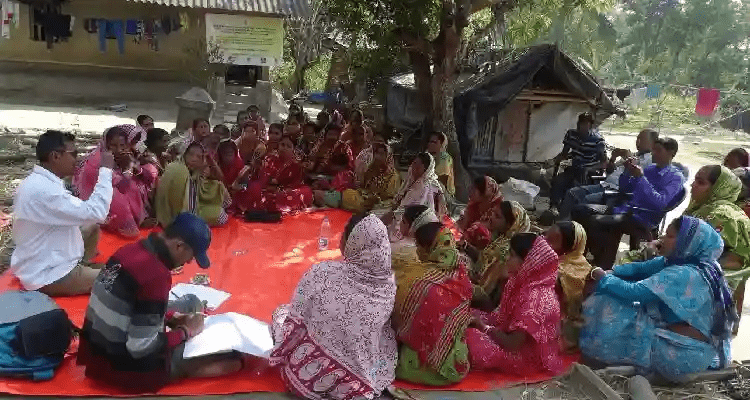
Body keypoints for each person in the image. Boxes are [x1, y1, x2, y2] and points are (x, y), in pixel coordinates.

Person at [78, 212, 246, 393]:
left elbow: (130, 305)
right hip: (118, 367)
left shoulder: (130, 250)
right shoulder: (156, 274)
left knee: (187, 307)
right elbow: (140, 348)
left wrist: (169, 317)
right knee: (233, 361)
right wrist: (185, 332)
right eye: (191, 255)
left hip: (95, 354)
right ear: (179, 246)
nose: (189, 261)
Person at [580, 217, 737, 382]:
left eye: (670, 236)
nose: (662, 239)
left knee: (609, 302)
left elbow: (633, 292)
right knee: (617, 292)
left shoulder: (685, 273)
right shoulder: (700, 262)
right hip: (704, 344)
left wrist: (602, 276)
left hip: (686, 353)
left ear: (687, 242)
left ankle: (596, 352)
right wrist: (613, 272)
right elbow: (641, 268)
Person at [269, 214, 397, 400]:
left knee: (282, 313)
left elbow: (296, 319)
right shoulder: (387, 288)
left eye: (344, 235)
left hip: (304, 378)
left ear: (353, 244)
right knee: (385, 337)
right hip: (355, 389)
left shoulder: (322, 272)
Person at [10, 130, 113, 296]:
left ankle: (83, 266)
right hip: (49, 275)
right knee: (120, 279)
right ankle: (78, 276)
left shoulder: (40, 181)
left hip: (43, 258)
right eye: (73, 154)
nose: (77, 159)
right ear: (55, 156)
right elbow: (97, 212)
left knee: (91, 227)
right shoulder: (44, 190)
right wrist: (106, 171)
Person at [572, 137, 684, 269]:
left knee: (597, 221)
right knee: (580, 210)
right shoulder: (650, 169)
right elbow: (625, 189)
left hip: (643, 217)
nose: (653, 153)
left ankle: (602, 263)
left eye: (658, 150)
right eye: (653, 149)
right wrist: (627, 171)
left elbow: (660, 202)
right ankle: (583, 254)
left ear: (671, 153)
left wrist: (641, 178)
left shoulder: (675, 177)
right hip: (625, 210)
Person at [391, 205, 472, 385]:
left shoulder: (417, 281)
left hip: (417, 368)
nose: (417, 250)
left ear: (429, 248)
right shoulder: (461, 273)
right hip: (456, 367)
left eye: (419, 246)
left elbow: (398, 322)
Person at [466, 233, 566, 376]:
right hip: (511, 337)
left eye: (512, 255)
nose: (507, 259)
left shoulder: (535, 299)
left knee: (470, 336)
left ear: (528, 262)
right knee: (468, 314)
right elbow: (503, 319)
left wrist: (483, 327)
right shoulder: (519, 283)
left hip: (526, 358)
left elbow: (513, 344)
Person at [558, 129, 658, 220]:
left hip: (617, 191)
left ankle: (574, 229)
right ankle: (561, 225)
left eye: (641, 139)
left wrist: (630, 160)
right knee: (572, 193)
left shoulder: (651, 160)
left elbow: (638, 181)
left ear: (653, 143)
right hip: (605, 185)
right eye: (637, 138)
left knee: (584, 201)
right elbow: (609, 171)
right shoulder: (635, 155)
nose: (637, 141)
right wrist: (613, 158)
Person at [74, 125, 153, 238]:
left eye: (122, 145)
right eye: (113, 146)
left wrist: (134, 167)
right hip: (92, 196)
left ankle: (138, 219)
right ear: (106, 144)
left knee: (135, 185)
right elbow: (122, 187)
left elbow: (148, 178)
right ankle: (120, 225)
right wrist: (128, 169)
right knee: (118, 196)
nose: (119, 150)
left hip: (109, 186)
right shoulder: (100, 159)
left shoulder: (125, 155)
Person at [466, 201, 531, 311]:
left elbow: (485, 289)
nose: (491, 217)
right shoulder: (500, 239)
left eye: (497, 216)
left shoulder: (505, 251)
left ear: (510, 225)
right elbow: (483, 261)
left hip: (487, 304)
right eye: (493, 212)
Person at [155, 142, 231, 227]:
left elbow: (217, 179)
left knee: (218, 186)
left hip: (173, 213)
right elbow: (187, 208)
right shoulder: (182, 173)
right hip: (177, 219)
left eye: (199, 157)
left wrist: (206, 164)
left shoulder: (178, 165)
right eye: (191, 155)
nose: (194, 159)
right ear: (185, 154)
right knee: (220, 215)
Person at [545, 221, 593, 350]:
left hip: (562, 330)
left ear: (570, 246)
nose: (544, 242)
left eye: (551, 241)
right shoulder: (582, 264)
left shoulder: (561, 272)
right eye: (545, 236)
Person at [549, 113, 607, 209]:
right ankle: (554, 207)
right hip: (574, 168)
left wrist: (588, 169)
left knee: (575, 190)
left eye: (585, 124)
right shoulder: (571, 135)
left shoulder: (598, 141)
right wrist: (554, 161)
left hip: (589, 172)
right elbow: (564, 154)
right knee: (558, 181)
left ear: (591, 126)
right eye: (580, 123)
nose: (582, 127)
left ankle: (572, 210)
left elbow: (604, 163)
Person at [381, 153, 446, 237]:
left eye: (418, 166)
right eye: (414, 164)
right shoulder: (413, 181)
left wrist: (394, 214)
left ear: (426, 169)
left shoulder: (425, 186)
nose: (413, 168)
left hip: (416, 221)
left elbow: (417, 211)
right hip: (404, 215)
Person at [244, 135, 313, 213]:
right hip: (267, 193)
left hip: (284, 195)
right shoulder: (269, 159)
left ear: (293, 150)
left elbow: (295, 186)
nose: (284, 148)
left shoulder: (296, 166)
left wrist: (284, 191)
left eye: (288, 146)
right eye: (282, 145)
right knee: (255, 188)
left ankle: (277, 206)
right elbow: (264, 182)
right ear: (278, 146)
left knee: (306, 191)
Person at [341, 142, 400, 213]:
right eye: (376, 153)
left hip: (382, 202)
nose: (378, 156)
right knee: (347, 193)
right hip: (365, 197)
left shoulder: (393, 176)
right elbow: (360, 187)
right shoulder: (370, 169)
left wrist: (375, 193)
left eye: (381, 154)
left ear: (387, 156)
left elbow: (389, 196)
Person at [458, 176, 504, 249]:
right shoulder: (473, 205)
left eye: (474, 190)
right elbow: (463, 224)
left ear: (485, 194)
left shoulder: (497, 211)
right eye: (471, 188)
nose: (470, 192)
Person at [427, 132, 455, 198]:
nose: (430, 144)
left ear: (441, 144)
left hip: (443, 195)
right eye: (429, 142)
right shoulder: (432, 156)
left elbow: (442, 179)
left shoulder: (444, 157)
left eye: (434, 142)